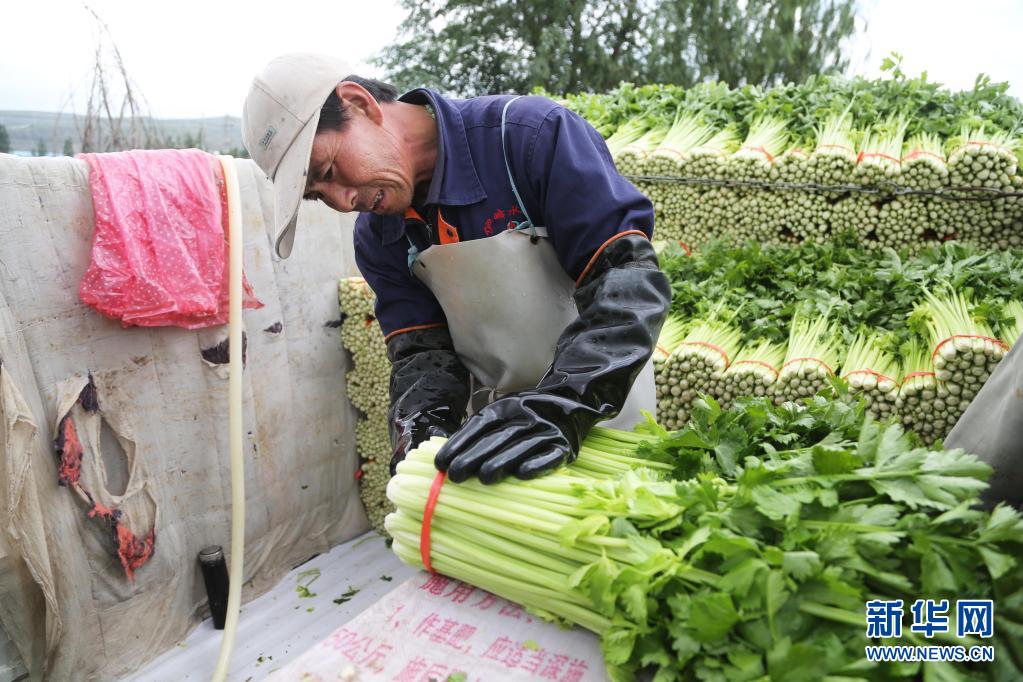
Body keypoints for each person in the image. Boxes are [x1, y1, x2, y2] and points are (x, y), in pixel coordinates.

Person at [242, 53, 670, 485]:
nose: (342, 200)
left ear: (359, 103)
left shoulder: (529, 138)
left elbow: (628, 285)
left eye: (329, 170)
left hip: (604, 408)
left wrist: (561, 407)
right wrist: (419, 440)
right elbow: (424, 355)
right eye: (318, 195)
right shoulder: (377, 237)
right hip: (497, 432)